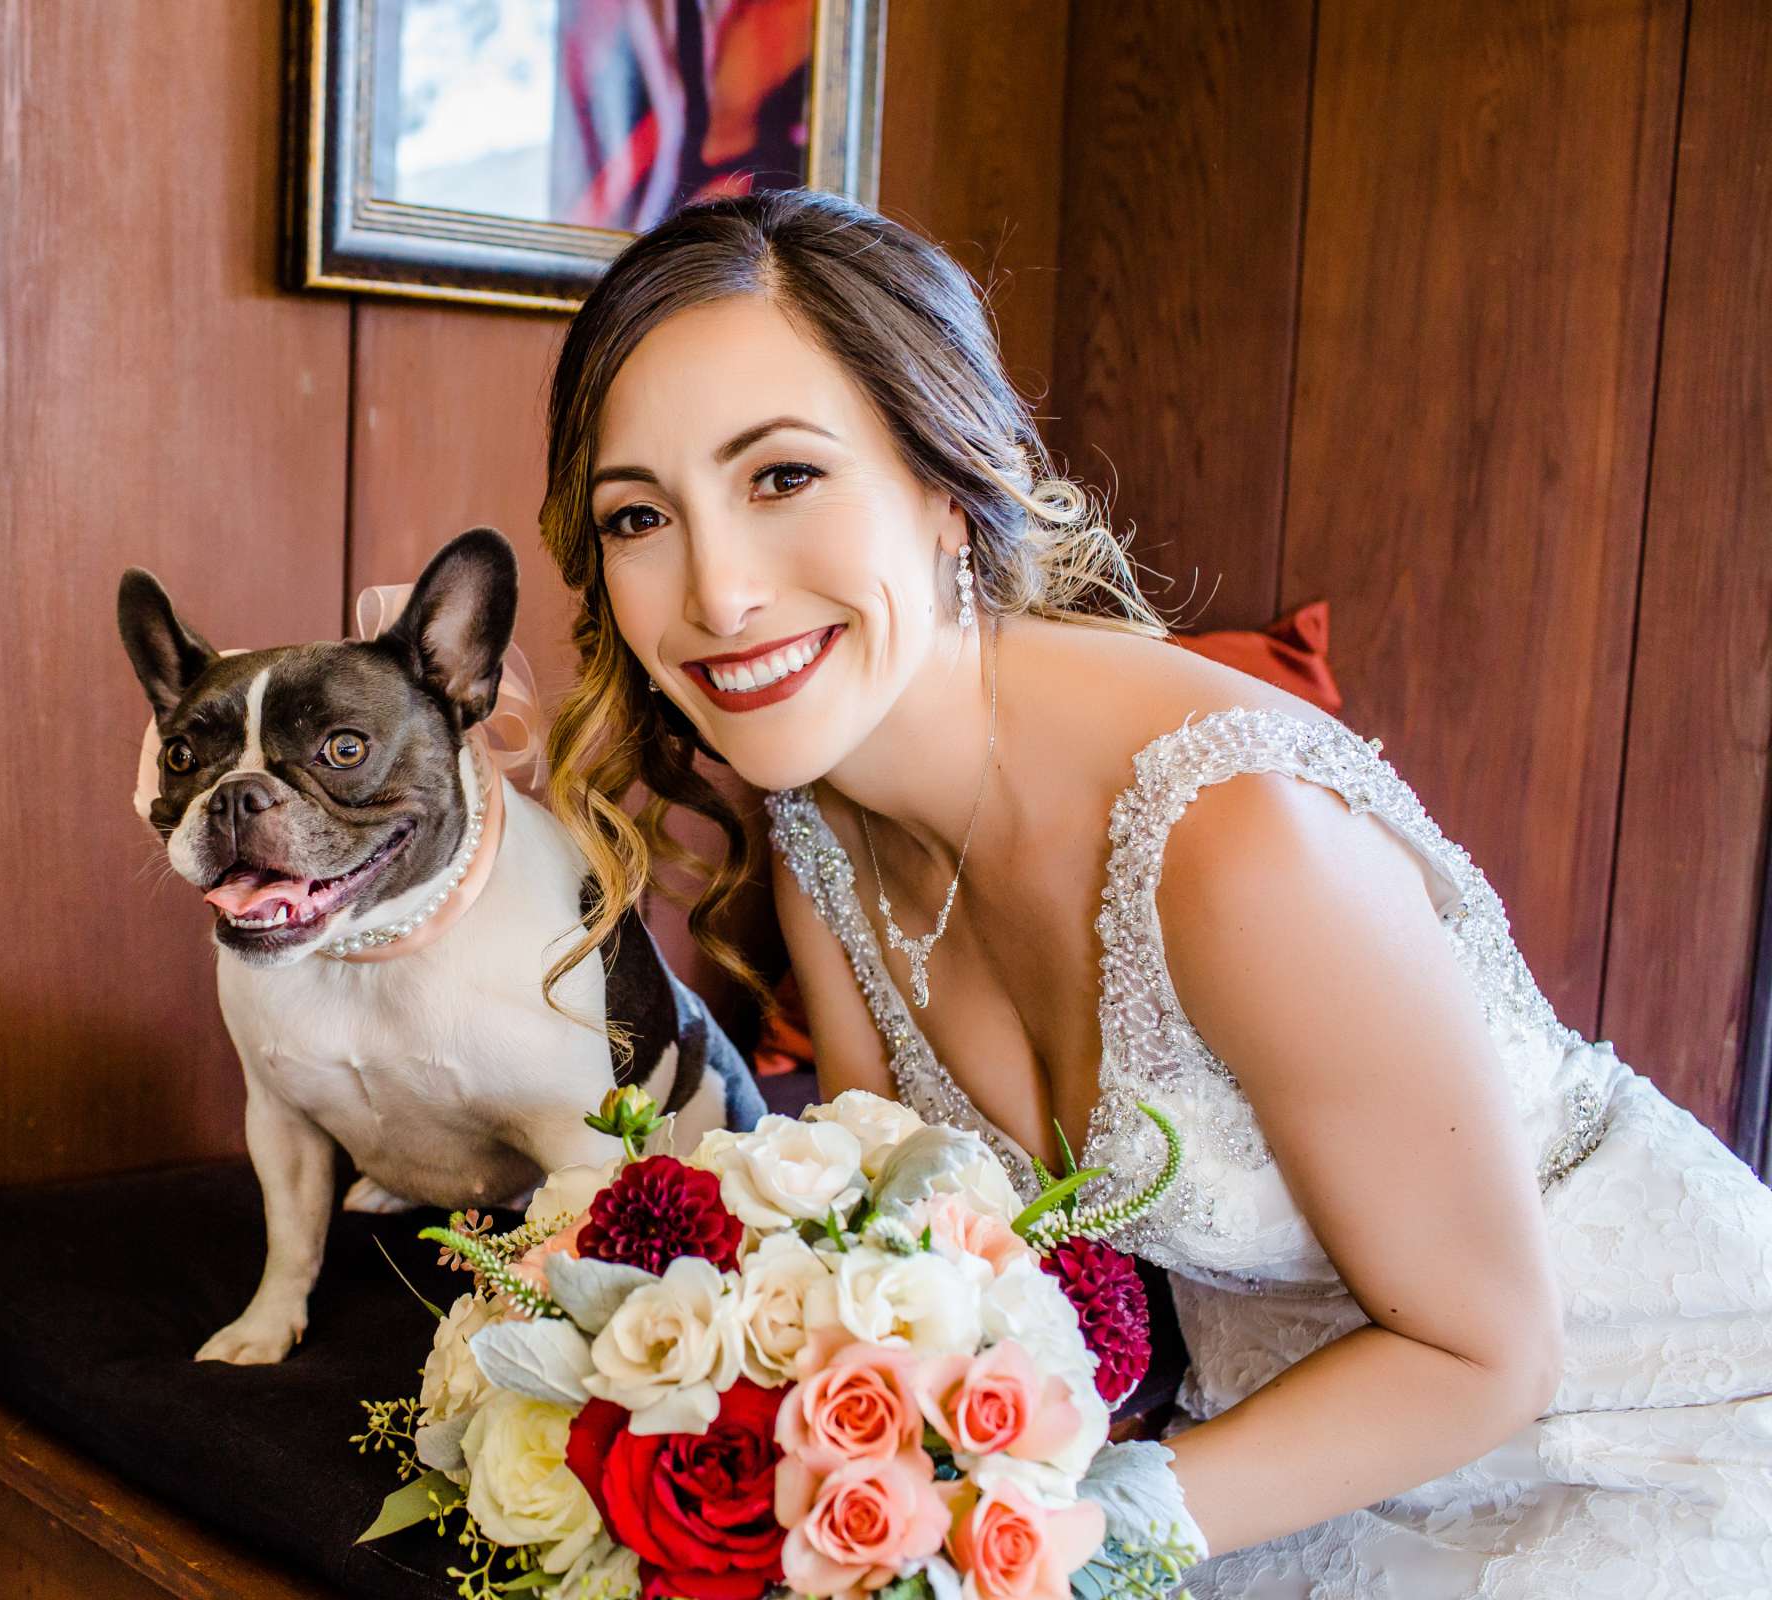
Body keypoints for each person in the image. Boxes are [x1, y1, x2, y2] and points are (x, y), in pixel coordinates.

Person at [533, 187, 1772, 1596]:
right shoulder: (829, 831)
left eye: (782, 478)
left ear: (946, 486)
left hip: (1641, 1442)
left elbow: (1487, 1353)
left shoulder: (1236, 840)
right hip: (1272, 1455)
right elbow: (909, 1259)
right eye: (641, 516)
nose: (718, 594)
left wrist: (1027, 1535)